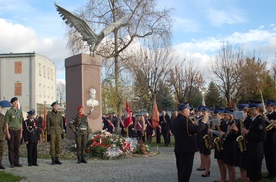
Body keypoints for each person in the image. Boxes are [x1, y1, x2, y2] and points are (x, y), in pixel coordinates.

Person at [172, 102, 208, 182]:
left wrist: (193, 124)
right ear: (184, 111)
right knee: (186, 171)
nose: (189, 111)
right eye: (188, 109)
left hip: (179, 148)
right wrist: (204, 121)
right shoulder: (185, 121)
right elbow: (197, 130)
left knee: (181, 171)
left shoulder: (176, 120)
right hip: (187, 149)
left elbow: (187, 130)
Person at [241, 102, 266, 182]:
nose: (250, 111)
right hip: (251, 149)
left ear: (257, 109)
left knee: (256, 174)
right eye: (250, 109)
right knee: (251, 174)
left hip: (256, 150)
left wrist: (248, 132)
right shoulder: (253, 120)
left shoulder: (260, 120)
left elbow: (262, 136)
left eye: (252, 109)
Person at [5, 97, 23, 168]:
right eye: (14, 102)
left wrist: (21, 132)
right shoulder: (9, 111)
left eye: (16, 102)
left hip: (17, 130)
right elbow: (6, 123)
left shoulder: (19, 111)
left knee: (17, 147)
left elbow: (20, 122)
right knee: (11, 147)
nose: (15, 103)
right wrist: (7, 133)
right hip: (11, 130)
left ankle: (16, 161)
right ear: (12, 103)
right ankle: (11, 162)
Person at [222, 109, 239, 182]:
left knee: (231, 166)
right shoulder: (226, 123)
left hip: (232, 145)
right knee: (228, 165)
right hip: (226, 145)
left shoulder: (233, 123)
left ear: (230, 115)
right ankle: (230, 179)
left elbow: (235, 135)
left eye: (226, 115)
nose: (224, 116)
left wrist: (236, 130)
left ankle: (233, 180)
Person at [212, 109, 227, 182]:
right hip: (217, 143)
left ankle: (223, 178)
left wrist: (213, 131)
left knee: (222, 161)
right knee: (219, 161)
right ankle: (222, 178)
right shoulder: (217, 122)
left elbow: (222, 133)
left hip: (222, 143)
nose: (215, 116)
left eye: (216, 115)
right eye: (214, 115)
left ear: (220, 114)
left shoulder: (223, 122)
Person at [264, 100, 276, 180]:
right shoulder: (266, 115)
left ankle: (274, 173)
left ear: (273, 107)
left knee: (273, 156)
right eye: (267, 106)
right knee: (267, 156)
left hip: (273, 137)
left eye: (268, 106)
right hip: (266, 137)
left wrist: (274, 124)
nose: (267, 108)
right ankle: (270, 171)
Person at [0, 104, 6, 169]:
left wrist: (4, 134)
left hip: (1, 136)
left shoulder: (2, 117)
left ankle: (0, 162)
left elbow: (4, 127)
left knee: (1, 150)